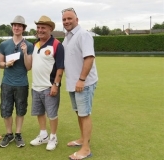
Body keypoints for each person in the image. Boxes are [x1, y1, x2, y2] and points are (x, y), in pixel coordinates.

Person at [62, 8, 98, 159]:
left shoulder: (83, 35)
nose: (66, 21)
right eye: (64, 19)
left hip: (84, 83)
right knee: (79, 112)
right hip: (73, 83)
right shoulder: (67, 37)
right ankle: (83, 139)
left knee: (84, 114)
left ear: (77, 19)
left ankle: (86, 149)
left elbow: (89, 58)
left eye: (69, 18)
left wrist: (82, 80)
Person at [30, 15, 65, 151]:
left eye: (43, 27)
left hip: (50, 86)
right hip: (36, 86)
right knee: (39, 112)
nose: (40, 30)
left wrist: (56, 85)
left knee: (52, 114)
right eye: (38, 27)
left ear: (50, 29)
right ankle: (43, 134)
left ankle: (53, 137)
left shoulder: (57, 45)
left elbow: (60, 67)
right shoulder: (35, 44)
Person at [0, 15, 33, 148]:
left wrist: (25, 52)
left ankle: (18, 134)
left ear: (23, 28)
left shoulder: (29, 45)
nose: (16, 27)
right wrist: (6, 64)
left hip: (22, 83)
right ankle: (8, 134)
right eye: (14, 25)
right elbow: (0, 63)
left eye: (19, 26)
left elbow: (29, 67)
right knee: (6, 109)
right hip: (7, 83)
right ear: (12, 27)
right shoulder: (4, 44)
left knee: (20, 109)